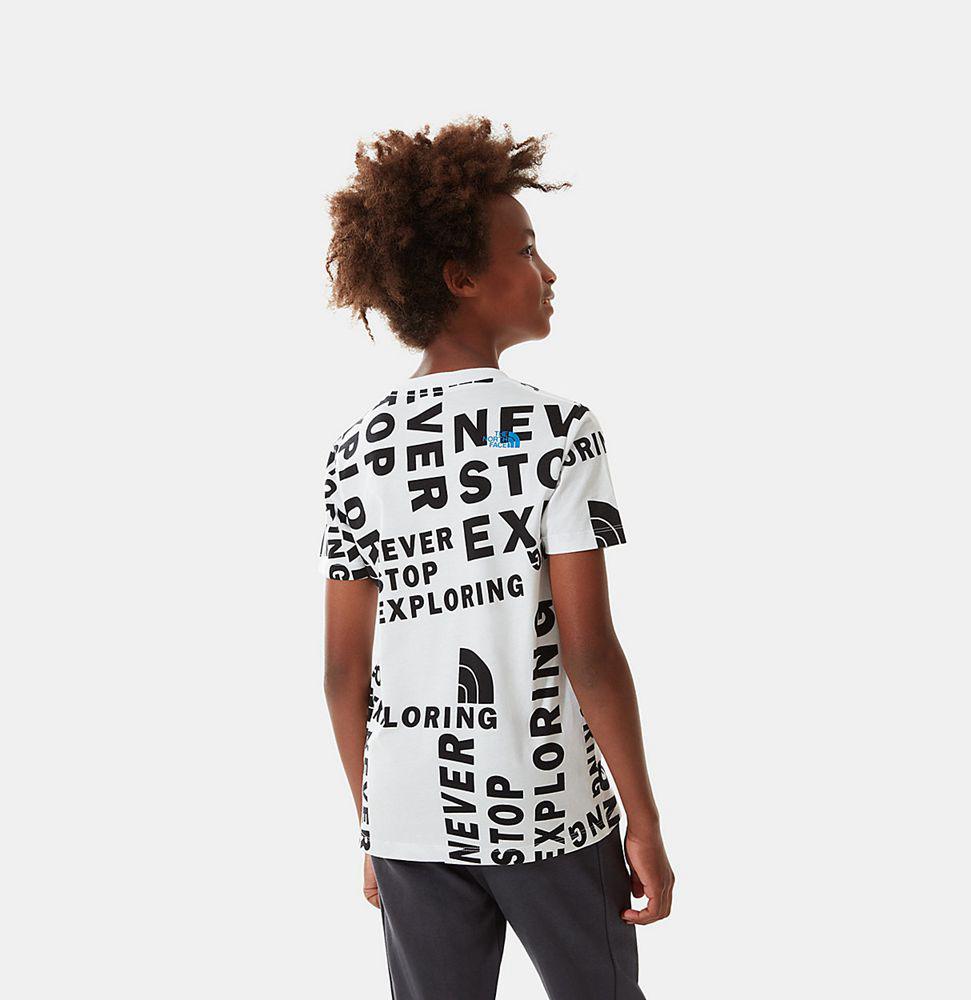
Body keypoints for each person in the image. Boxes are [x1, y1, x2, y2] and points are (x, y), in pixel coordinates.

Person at [319, 116, 675, 1000]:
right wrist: (643, 819)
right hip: (547, 808)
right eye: (526, 249)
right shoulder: (560, 430)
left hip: (411, 815)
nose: (548, 272)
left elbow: (342, 672)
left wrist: (375, 824)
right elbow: (590, 649)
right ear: (461, 277)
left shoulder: (354, 452)